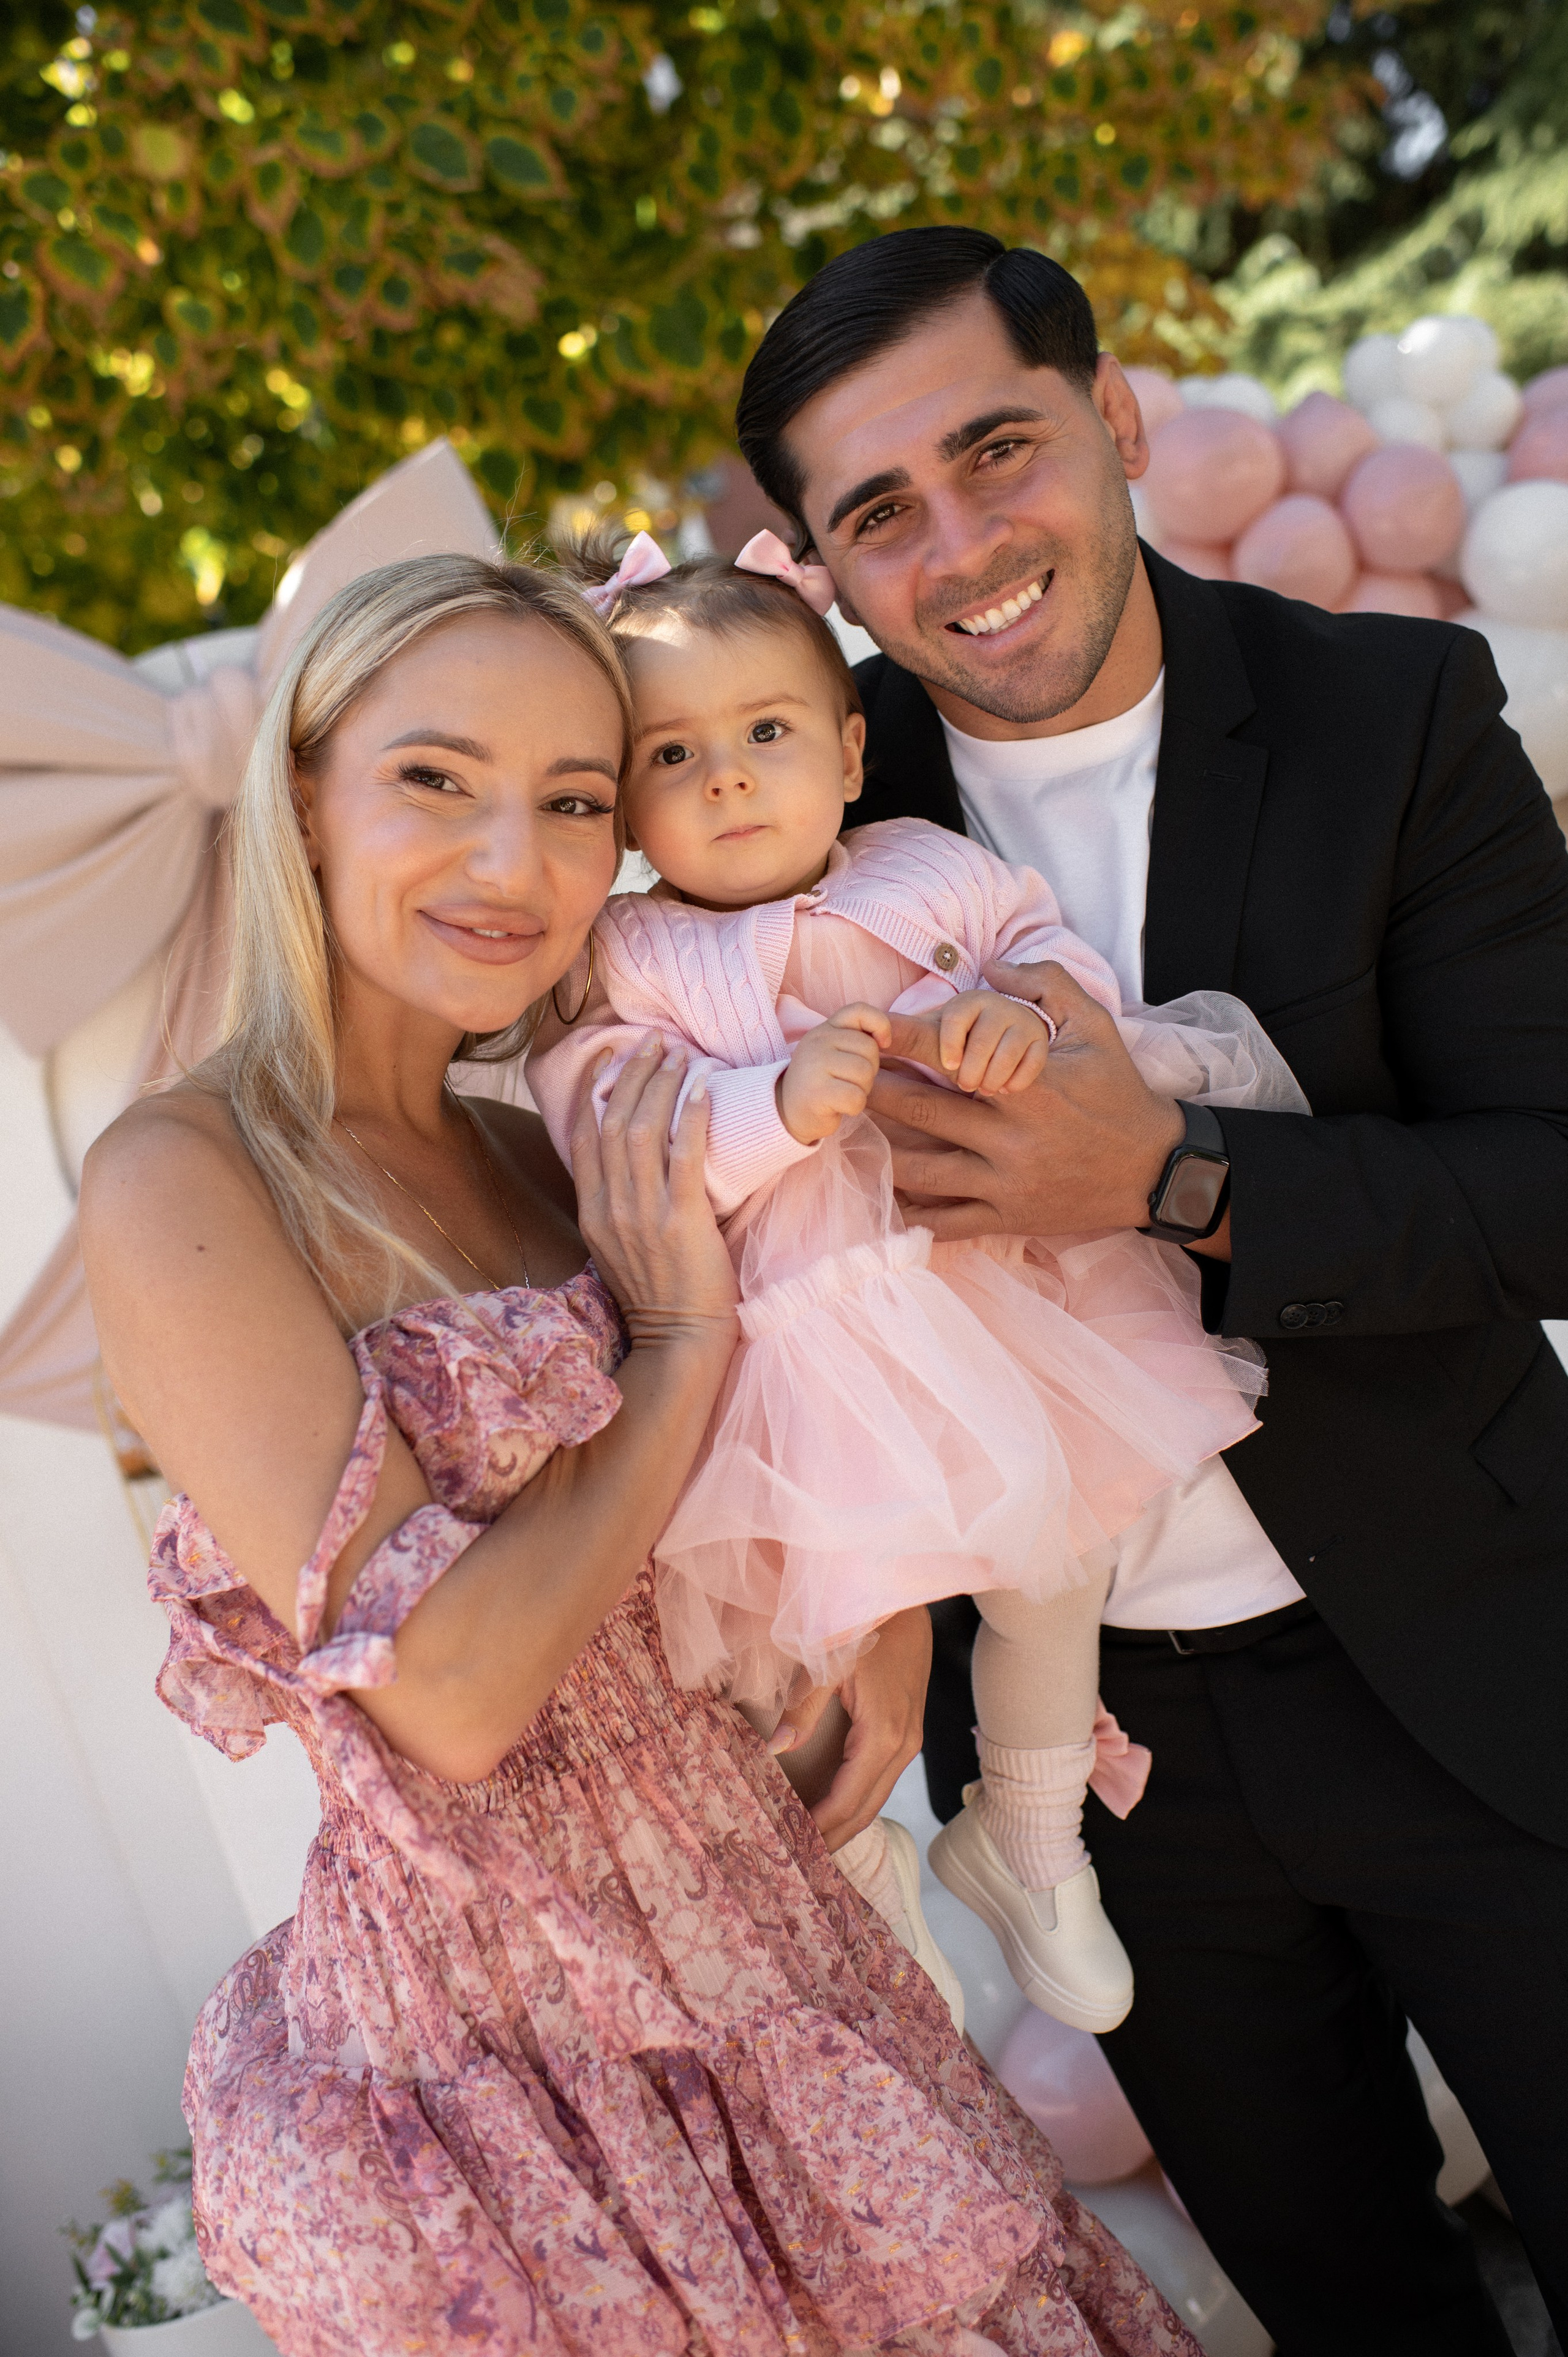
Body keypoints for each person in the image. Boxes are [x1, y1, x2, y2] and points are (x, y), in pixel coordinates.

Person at [79, 549, 1208, 2357]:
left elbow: (816, 1403)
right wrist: (677, 1339)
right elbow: (446, 1696)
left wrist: (886, 1619)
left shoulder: (550, 1139)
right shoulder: (187, 1178)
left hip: (786, 1957)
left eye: (576, 801)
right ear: (307, 786)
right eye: (436, 780)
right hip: (524, 2057)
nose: (513, 862)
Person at [733, 225, 1568, 2356]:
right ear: (820, 566)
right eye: (880, 512)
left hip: (1470, 1654)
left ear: (1112, 423)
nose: (965, 543)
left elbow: (1552, 1183)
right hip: (1104, 1760)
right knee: (1349, 2302)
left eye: (997, 449)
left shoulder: (1390, 712)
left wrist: (1180, 1174)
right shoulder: (796, 826)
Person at [529, 537, 1304, 2040]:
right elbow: (613, 1132)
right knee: (795, 1632)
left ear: (849, 747)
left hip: (1001, 1291)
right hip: (800, 1341)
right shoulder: (631, 957)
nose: (730, 779)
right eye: (671, 756)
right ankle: (854, 1869)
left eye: (766, 734)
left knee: (1054, 1560)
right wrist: (769, 1107)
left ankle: (1027, 1832)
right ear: (622, 808)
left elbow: (1042, 951)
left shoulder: (924, 869)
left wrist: (1027, 1012)